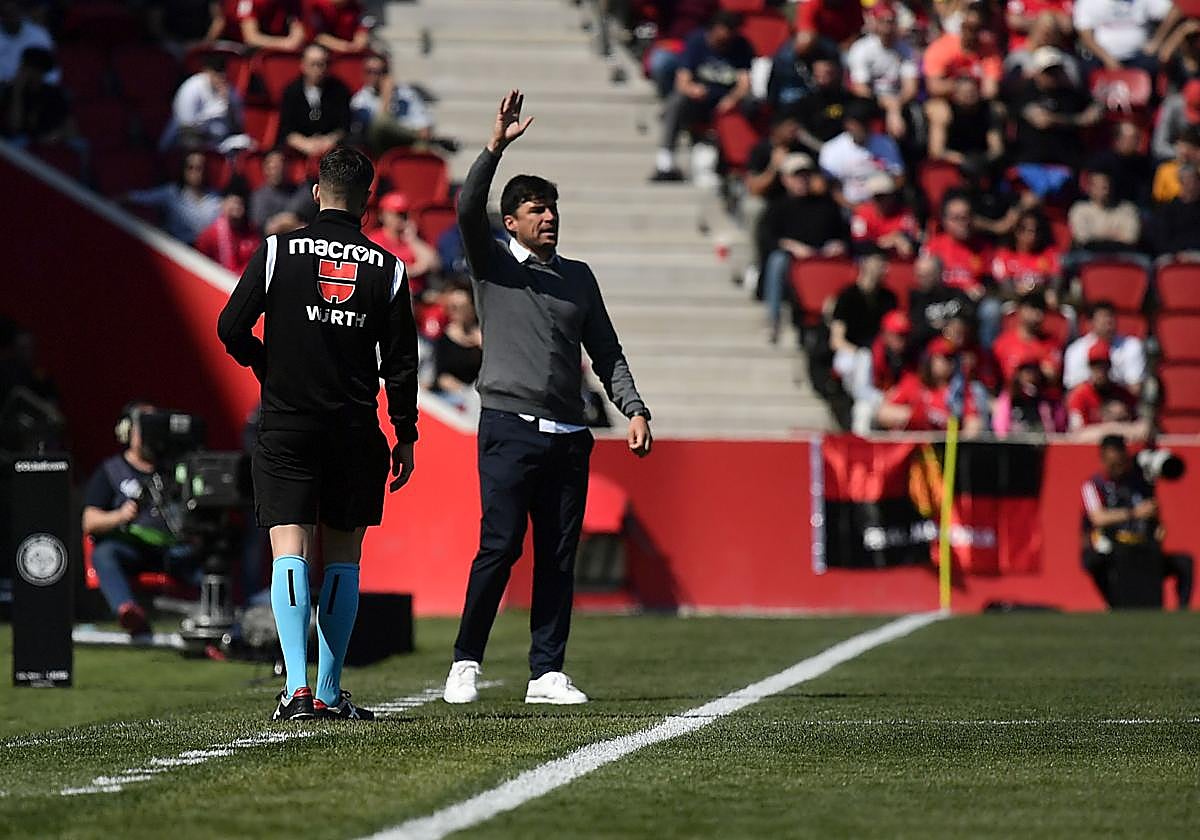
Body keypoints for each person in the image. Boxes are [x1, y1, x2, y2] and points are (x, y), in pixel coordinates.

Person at [444, 90, 652, 706]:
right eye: (537, 209)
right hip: (508, 426)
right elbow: (463, 209)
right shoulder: (491, 265)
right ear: (511, 221)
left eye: (553, 208)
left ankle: (547, 673)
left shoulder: (579, 277)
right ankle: (464, 662)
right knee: (500, 547)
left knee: (559, 558)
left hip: (569, 435)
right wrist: (495, 148)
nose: (549, 218)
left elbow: (608, 351)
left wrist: (633, 408)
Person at [217, 146, 419, 721]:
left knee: (290, 548)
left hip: (287, 423)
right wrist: (404, 433)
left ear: (314, 192)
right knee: (344, 557)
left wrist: (265, 364)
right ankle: (330, 691)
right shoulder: (389, 267)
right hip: (354, 428)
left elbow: (230, 325)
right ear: (368, 202)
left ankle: (297, 691)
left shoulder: (279, 251)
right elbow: (402, 364)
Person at [82, 402, 200, 638]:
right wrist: (120, 516)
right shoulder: (111, 470)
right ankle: (128, 611)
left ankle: (221, 621)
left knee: (210, 563)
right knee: (105, 553)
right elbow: (89, 521)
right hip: (131, 548)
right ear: (128, 432)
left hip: (173, 550)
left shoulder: (174, 469)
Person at [652, 11, 752, 181]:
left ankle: (739, 163)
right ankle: (666, 156)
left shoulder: (741, 46)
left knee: (751, 105)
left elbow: (745, 83)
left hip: (725, 101)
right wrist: (693, 89)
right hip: (699, 101)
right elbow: (682, 81)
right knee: (677, 101)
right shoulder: (696, 41)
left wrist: (732, 99)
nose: (725, 37)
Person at [759, 152, 848, 342]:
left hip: (822, 260)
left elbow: (843, 235)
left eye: (806, 175)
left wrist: (837, 245)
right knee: (777, 261)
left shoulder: (826, 205)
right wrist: (790, 246)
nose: (802, 180)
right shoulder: (777, 207)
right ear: (784, 179)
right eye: (796, 176)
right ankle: (773, 320)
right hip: (792, 261)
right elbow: (766, 238)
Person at [1080, 435, 1163, 607]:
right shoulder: (1094, 484)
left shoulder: (1137, 483)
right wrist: (1134, 513)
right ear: (1103, 460)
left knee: (1183, 564)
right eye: (1112, 464)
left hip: (1139, 544)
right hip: (1107, 545)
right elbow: (1098, 518)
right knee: (1103, 560)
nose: (1117, 469)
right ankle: (1116, 605)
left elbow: (1152, 513)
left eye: (1120, 462)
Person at [1009, 47, 1102, 174]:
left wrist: (1095, 110)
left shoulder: (1071, 94)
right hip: (1033, 162)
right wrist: (1078, 120)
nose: (1053, 76)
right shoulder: (1025, 93)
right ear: (1037, 73)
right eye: (1048, 72)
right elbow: (1042, 120)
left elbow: (1095, 106)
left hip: (1066, 161)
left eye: (1056, 70)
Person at [829, 253, 899, 406]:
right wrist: (861, 353)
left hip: (879, 354)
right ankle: (871, 399)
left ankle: (867, 403)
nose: (884, 269)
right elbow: (836, 340)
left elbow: (892, 334)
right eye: (879, 263)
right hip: (850, 353)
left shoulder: (888, 298)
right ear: (865, 264)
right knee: (860, 362)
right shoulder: (847, 296)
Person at [876, 337, 985, 433]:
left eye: (952, 358)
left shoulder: (960, 390)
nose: (949, 363)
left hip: (945, 448)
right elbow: (884, 413)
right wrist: (914, 416)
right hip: (914, 447)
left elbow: (974, 423)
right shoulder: (912, 382)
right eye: (943, 358)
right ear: (930, 360)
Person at [846, 2, 918, 140]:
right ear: (875, 23)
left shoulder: (906, 49)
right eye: (883, 21)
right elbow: (860, 88)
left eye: (891, 22)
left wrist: (895, 105)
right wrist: (888, 105)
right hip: (870, 99)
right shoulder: (861, 48)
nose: (887, 27)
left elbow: (910, 87)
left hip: (898, 99)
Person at [818, 98, 904, 208]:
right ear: (847, 125)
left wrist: (882, 205)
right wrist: (857, 209)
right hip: (850, 208)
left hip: (883, 206)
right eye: (856, 124)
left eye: (864, 123)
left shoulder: (886, 144)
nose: (860, 128)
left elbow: (899, 176)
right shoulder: (831, 150)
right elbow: (833, 188)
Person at [123, 150, 221, 244]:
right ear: (184, 170)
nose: (195, 172)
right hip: (180, 248)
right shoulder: (171, 192)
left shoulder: (216, 197)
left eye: (200, 168)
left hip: (207, 252)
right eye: (190, 167)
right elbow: (140, 197)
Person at [350, 53, 439, 154]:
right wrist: (386, 96)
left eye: (379, 72)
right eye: (369, 71)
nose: (373, 76)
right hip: (379, 145)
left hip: (406, 141)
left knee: (422, 145)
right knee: (382, 122)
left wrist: (422, 131)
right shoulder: (361, 99)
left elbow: (424, 124)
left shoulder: (406, 93)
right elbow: (377, 128)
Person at [277, 43, 351, 158]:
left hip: (332, 150)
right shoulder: (291, 92)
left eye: (322, 64)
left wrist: (328, 141)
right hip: (298, 150)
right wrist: (305, 144)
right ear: (303, 65)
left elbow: (344, 125)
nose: (317, 69)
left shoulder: (339, 91)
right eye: (313, 64)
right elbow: (286, 129)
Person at [163, 53, 244, 152]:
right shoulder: (192, 87)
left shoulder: (230, 92)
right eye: (217, 72)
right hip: (190, 139)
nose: (222, 76)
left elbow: (237, 127)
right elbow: (186, 126)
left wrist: (229, 104)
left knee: (244, 143)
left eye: (223, 71)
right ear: (207, 71)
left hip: (220, 141)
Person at [922, 3, 1003, 100]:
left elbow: (990, 90)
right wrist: (958, 86)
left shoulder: (989, 51)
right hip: (949, 98)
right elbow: (934, 87)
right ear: (961, 26)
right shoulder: (941, 47)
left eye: (977, 28)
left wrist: (972, 90)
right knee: (939, 111)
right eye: (968, 27)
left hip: (977, 99)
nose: (972, 33)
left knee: (996, 110)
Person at [925, 71, 1005, 168]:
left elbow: (996, 149)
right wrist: (961, 160)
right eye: (964, 93)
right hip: (952, 160)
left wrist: (982, 160)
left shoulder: (990, 110)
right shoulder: (943, 112)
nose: (969, 96)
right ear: (955, 95)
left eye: (972, 92)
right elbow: (936, 151)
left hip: (981, 158)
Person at [367, 191, 440, 297]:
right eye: (396, 214)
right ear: (382, 215)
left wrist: (413, 239)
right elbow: (385, 272)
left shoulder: (413, 237)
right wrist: (418, 268)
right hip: (389, 294)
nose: (401, 219)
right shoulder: (375, 240)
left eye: (404, 214)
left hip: (419, 293)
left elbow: (434, 265)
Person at [1073, 0, 1176, 74]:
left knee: (1159, 63)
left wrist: (1157, 41)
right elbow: (1085, 35)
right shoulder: (1088, 2)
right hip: (1101, 58)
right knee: (1084, 69)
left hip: (1140, 56)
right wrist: (1108, 60)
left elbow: (1174, 9)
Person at [1063, 301, 1145, 393]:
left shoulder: (1132, 345)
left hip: (1118, 400)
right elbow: (1072, 388)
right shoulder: (1076, 350)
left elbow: (1135, 388)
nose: (1108, 321)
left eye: (1110, 316)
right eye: (1102, 317)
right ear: (1091, 322)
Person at [0, 45, 71, 146]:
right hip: (15, 148)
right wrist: (17, 91)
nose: (23, 70)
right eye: (23, 66)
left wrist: (54, 136)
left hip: (44, 146)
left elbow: (67, 128)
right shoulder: (10, 91)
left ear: (40, 71)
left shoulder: (55, 94)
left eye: (29, 67)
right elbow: (14, 126)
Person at [1066, 342, 1142, 436]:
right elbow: (1075, 433)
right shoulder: (1079, 395)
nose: (1099, 371)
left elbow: (1142, 428)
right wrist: (1110, 429)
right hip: (1088, 448)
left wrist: (1117, 426)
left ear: (1109, 366)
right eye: (1095, 366)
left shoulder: (1122, 394)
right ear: (1089, 367)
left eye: (1103, 365)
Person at [992, 290, 1062, 387]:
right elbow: (996, 377)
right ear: (1020, 310)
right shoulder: (1003, 343)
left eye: (1041, 308)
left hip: (1042, 397)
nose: (1038, 313)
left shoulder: (1051, 342)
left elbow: (1052, 375)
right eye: (1033, 307)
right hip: (1011, 396)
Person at [431, 280, 482, 414]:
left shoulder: (482, 340)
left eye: (461, 308)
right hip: (448, 397)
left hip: (474, 399)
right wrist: (464, 392)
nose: (455, 312)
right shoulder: (443, 338)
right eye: (452, 307)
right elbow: (441, 377)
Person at [766, 25, 839, 117]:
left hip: (824, 95)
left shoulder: (827, 49)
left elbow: (835, 71)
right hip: (794, 93)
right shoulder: (785, 57)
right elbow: (776, 81)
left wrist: (828, 73)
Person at [991, 208, 1062, 301]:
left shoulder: (1049, 254)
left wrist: (1048, 291)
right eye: (1030, 231)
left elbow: (1056, 278)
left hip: (1042, 301)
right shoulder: (1003, 256)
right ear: (1017, 232)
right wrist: (1017, 292)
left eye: (1037, 231)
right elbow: (1004, 286)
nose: (1034, 236)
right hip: (1013, 303)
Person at [908, 254, 974, 350]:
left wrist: (960, 323)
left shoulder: (956, 293)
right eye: (920, 275)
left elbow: (971, 315)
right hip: (930, 351)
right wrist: (942, 328)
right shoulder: (915, 298)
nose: (923, 280)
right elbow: (916, 331)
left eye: (928, 275)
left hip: (960, 348)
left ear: (939, 273)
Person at [195, 179, 260, 273]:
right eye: (233, 202)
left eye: (240, 203)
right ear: (223, 204)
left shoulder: (251, 231)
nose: (236, 207)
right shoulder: (210, 235)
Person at [850, 173, 919, 258]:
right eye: (877, 197)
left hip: (899, 260)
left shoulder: (904, 214)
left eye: (884, 196)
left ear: (892, 196)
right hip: (871, 259)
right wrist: (886, 242)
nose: (880, 201)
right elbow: (859, 244)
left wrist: (901, 239)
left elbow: (912, 240)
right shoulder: (862, 214)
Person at [992, 358, 1066, 436]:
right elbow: (1001, 427)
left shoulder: (1047, 401)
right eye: (1027, 372)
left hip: (1040, 442)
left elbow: (1058, 428)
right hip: (1014, 442)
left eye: (1034, 372)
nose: (1031, 377)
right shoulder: (1008, 398)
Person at [1152, 164, 1200, 259]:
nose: (1191, 185)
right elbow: (1162, 239)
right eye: (1186, 181)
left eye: (1194, 181)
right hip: (1173, 254)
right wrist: (1178, 253)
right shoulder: (1168, 209)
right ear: (1180, 183)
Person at [0, 0, 52, 84]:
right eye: (7, 14)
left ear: (21, 12)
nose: (12, 18)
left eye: (14, 12)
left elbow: (52, 74)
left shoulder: (39, 35)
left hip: (37, 89)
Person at [224, 0, 305, 51]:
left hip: (280, 53)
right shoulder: (250, 1)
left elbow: (297, 37)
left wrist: (291, 43)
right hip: (244, 52)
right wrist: (284, 44)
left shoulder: (293, 2)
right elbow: (251, 38)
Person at [248, 148, 295, 230]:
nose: (278, 171)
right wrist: (285, 221)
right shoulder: (259, 196)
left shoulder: (298, 191)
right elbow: (261, 225)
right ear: (266, 169)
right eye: (274, 168)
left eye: (281, 166)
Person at [304, 0, 369, 54]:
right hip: (319, 50)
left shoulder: (355, 6)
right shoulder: (317, 4)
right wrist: (344, 46)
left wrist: (359, 40)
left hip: (349, 51)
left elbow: (362, 28)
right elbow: (316, 35)